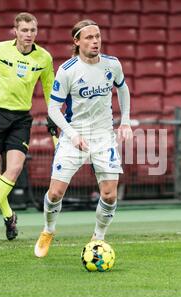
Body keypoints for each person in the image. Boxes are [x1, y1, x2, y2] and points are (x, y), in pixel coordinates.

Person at [34, 19, 133, 257]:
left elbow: (123, 88)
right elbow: (53, 109)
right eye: (89, 37)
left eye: (97, 36)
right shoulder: (68, 70)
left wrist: (126, 120)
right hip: (74, 136)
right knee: (55, 193)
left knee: (109, 194)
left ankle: (97, 239)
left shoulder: (112, 64)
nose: (95, 41)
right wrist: (71, 134)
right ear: (76, 42)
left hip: (103, 136)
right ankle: (48, 230)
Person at [0, 12, 54, 241]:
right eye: (25, 30)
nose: (29, 35)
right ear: (15, 31)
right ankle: (9, 215)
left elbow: (49, 89)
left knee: (15, 169)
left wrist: (53, 115)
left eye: (33, 30)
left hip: (20, 120)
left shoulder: (44, 58)